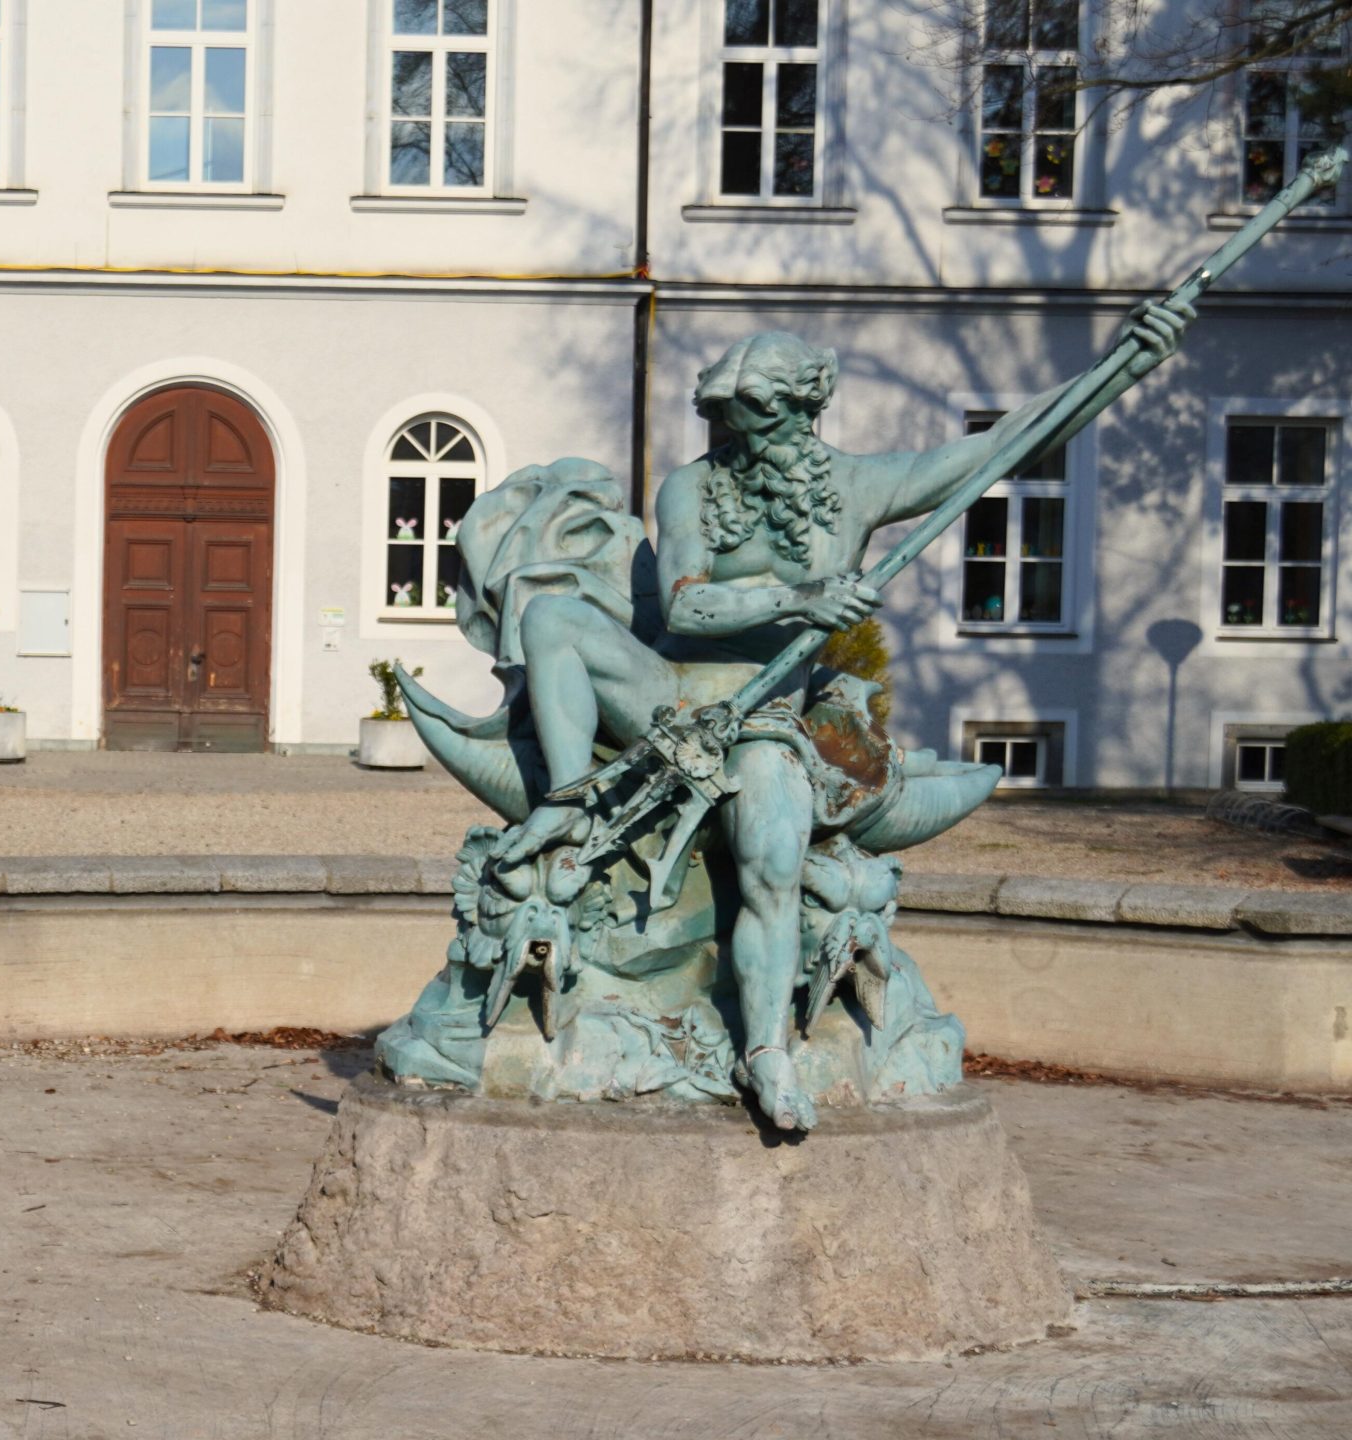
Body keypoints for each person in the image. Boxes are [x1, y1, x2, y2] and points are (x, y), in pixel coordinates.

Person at [493, 299, 1192, 1131]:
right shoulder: (689, 489)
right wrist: (799, 596)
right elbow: (682, 609)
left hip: (769, 722)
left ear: (799, 408)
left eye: (749, 412)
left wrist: (1122, 364)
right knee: (551, 619)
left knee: (771, 859)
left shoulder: (858, 488)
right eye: (720, 412)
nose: (731, 431)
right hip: (674, 696)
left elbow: (996, 448)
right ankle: (570, 807)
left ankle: (767, 1054)